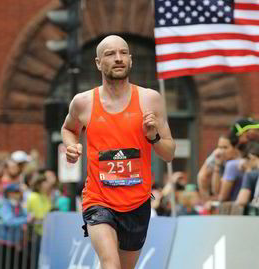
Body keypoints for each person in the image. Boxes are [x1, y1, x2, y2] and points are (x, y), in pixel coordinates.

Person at [61, 35, 175, 269]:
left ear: (131, 60)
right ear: (98, 63)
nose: (118, 58)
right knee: (110, 263)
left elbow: (169, 153)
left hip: (137, 202)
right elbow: (68, 129)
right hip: (98, 198)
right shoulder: (83, 102)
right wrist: (71, 146)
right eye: (110, 54)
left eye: (123, 53)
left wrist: (153, 136)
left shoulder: (150, 99)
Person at [197, 117, 259, 200]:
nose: (256, 134)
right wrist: (207, 199)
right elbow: (202, 177)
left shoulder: (253, 148)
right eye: (250, 132)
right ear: (242, 134)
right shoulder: (219, 153)